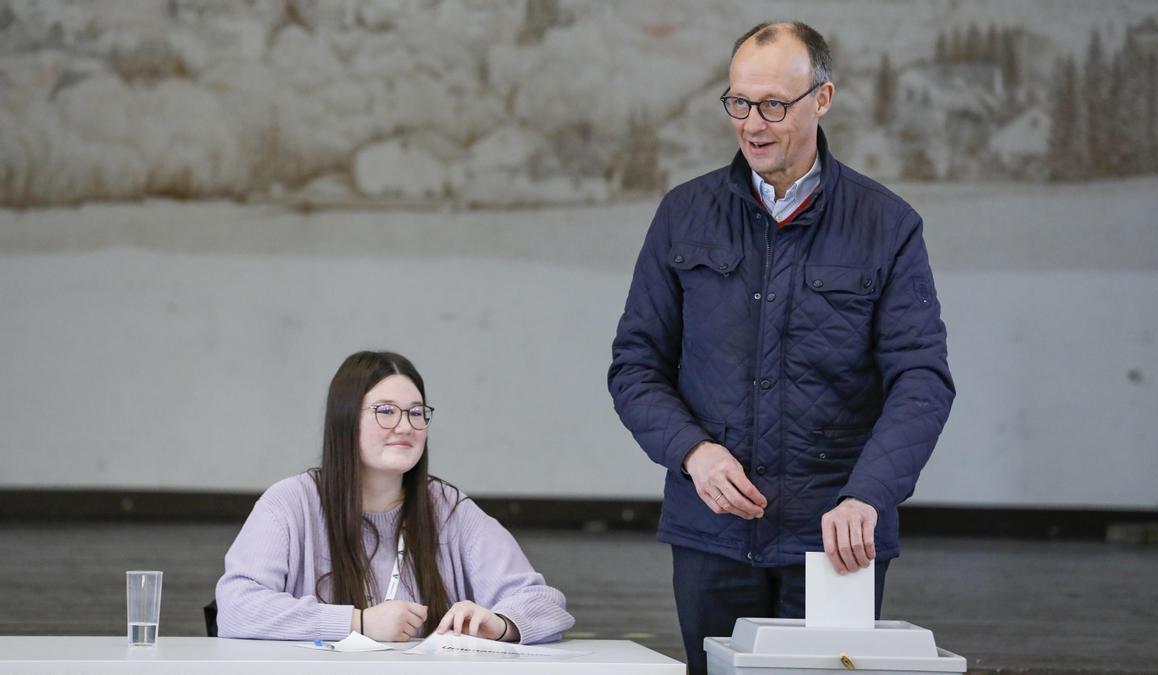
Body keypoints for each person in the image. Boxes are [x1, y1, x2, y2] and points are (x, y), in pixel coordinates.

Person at [607, 21, 955, 672]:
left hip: (836, 538)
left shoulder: (888, 226)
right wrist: (693, 452)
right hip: (711, 531)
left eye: (773, 104)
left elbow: (922, 380)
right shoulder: (684, 214)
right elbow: (635, 366)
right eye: (739, 102)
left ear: (822, 99)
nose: (753, 124)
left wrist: (869, 495)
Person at [216, 350, 574, 644]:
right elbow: (236, 607)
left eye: (416, 413)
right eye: (385, 411)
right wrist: (357, 623)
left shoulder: (449, 509)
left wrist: (500, 623)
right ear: (346, 420)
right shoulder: (291, 503)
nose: (405, 426)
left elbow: (545, 605)